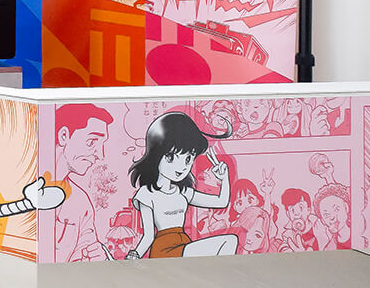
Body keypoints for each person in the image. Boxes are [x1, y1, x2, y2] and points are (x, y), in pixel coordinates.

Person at [124, 111, 237, 258]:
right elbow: (148, 236)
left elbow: (221, 202)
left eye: (188, 159)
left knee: (231, 241)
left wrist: (224, 178)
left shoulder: (183, 192)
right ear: (156, 155)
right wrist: (134, 255)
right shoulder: (146, 194)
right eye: (171, 157)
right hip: (164, 251)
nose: (182, 166)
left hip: (184, 246)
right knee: (229, 241)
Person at [52, 103, 115, 261]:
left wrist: (95, 256)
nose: (100, 155)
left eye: (102, 144)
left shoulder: (81, 203)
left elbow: (85, 250)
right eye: (92, 141)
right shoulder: (22, 183)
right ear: (64, 136)